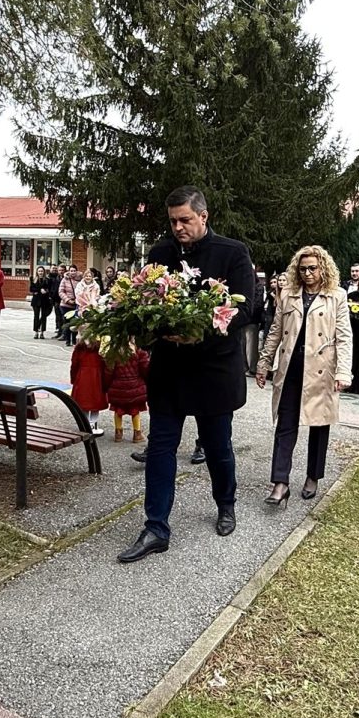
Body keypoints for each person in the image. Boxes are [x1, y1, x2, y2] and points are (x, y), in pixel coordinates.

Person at [118, 185, 255, 563]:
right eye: (173, 221)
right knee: (162, 447)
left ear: (203, 217)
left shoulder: (232, 253)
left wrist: (200, 331)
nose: (178, 227)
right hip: (170, 369)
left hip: (213, 368)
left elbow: (248, 311)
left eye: (185, 220)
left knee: (217, 447)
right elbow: (144, 301)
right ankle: (156, 527)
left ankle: (225, 504)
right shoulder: (161, 254)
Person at [256, 246, 352, 504]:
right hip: (291, 366)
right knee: (285, 423)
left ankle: (313, 476)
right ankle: (280, 482)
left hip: (322, 368)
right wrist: (264, 362)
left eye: (313, 268)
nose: (308, 273)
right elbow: (276, 330)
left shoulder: (337, 296)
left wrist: (343, 371)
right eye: (303, 268)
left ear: (323, 268)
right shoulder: (288, 294)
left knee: (319, 425)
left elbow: (344, 337)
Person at [106, 345, 150, 442]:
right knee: (135, 410)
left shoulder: (113, 351)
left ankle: (118, 433)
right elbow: (145, 369)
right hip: (135, 386)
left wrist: (106, 385)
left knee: (118, 410)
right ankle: (137, 433)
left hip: (118, 386)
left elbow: (109, 371)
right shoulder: (139, 351)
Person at [70, 335, 108, 435]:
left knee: (84, 402)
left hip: (82, 376)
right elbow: (106, 365)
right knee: (96, 403)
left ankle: (85, 424)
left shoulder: (79, 347)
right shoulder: (101, 347)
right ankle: (93, 425)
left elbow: (74, 363)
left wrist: (73, 378)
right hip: (97, 377)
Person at [243, 264, 265, 376]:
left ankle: (252, 368)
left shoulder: (258, 286)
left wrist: (248, 313)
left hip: (252, 320)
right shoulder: (243, 285)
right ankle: (244, 367)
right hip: (243, 320)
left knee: (251, 345)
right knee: (243, 344)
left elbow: (257, 304)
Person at [29, 267, 54, 338]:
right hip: (36, 301)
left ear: (44, 272)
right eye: (39, 271)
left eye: (42, 271)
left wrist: (45, 291)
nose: (40, 273)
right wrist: (40, 290)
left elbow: (49, 289)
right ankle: (36, 332)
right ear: (37, 272)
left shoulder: (47, 280)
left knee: (43, 317)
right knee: (36, 316)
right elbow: (31, 289)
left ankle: (42, 332)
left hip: (44, 300)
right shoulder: (33, 279)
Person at [59, 265, 81, 345]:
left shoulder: (80, 280)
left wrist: (77, 300)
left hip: (76, 304)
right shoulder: (64, 280)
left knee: (75, 322)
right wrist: (67, 300)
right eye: (71, 271)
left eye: (74, 271)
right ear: (69, 271)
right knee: (67, 322)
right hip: (65, 305)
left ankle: (74, 340)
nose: (73, 272)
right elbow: (61, 291)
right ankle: (68, 340)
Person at [49, 265, 65, 337]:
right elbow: (53, 290)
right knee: (58, 317)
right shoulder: (56, 279)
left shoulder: (66, 279)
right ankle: (59, 331)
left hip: (64, 301)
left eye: (62, 270)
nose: (61, 272)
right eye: (60, 270)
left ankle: (64, 333)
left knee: (63, 317)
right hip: (56, 301)